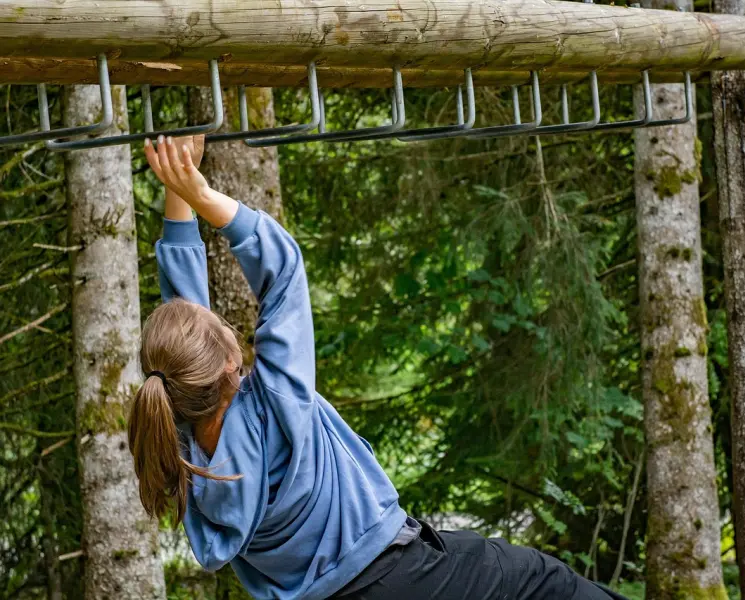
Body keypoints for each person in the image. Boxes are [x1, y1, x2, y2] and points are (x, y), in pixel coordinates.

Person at [128, 134, 629, 600]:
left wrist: (180, 187)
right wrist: (206, 196)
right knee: (547, 585)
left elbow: (184, 328)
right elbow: (283, 271)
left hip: (340, 589)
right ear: (231, 361)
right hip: (396, 576)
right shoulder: (276, 403)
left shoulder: (184, 444)